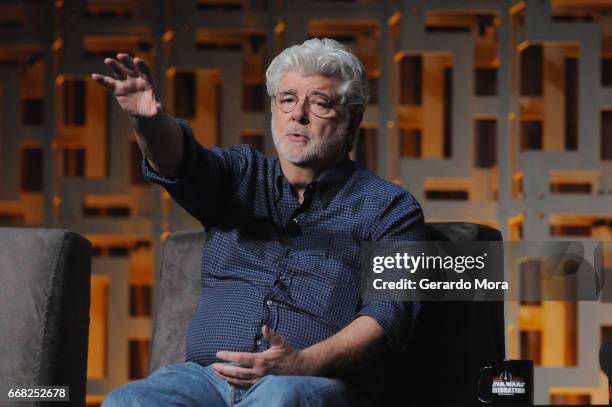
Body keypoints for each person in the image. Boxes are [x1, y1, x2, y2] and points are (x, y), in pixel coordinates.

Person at [92, 38, 425, 407]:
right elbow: (183, 164)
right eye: (287, 99)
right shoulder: (241, 175)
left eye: (320, 103)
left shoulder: (389, 208)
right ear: (273, 110)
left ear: (352, 122)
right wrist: (149, 122)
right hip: (206, 380)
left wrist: (302, 363)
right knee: (129, 401)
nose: (298, 115)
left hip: (313, 383)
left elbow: (388, 312)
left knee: (278, 398)